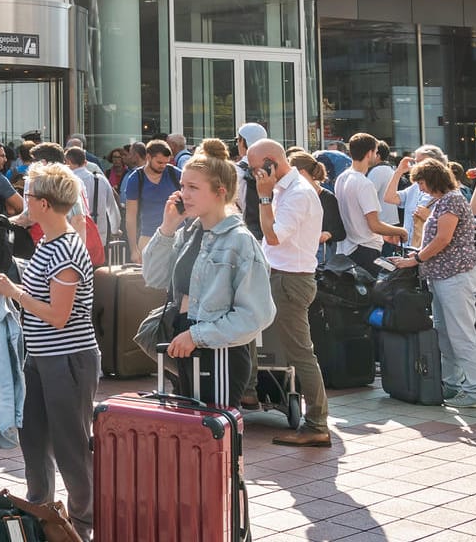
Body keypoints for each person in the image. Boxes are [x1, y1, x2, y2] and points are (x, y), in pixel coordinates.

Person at [0, 163, 99, 540]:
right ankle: (42, 511)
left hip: (67, 357)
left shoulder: (65, 247)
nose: (23, 200)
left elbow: (58, 315)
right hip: (41, 355)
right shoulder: (50, 242)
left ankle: (83, 523)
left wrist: (14, 292)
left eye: (30, 195)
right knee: (32, 434)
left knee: (70, 443)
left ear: (46, 204)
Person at [142, 152, 275, 406]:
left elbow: (257, 314)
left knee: (214, 436)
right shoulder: (189, 233)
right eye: (182, 186)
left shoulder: (239, 240)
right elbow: (153, 276)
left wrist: (198, 335)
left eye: (193, 187)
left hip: (218, 354)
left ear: (220, 192)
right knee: (188, 436)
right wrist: (167, 228)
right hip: (182, 343)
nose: (184, 194)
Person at [248, 139, 330, 446]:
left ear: (271, 163)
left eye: (257, 168)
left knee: (300, 353)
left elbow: (273, 236)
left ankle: (317, 423)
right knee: (247, 326)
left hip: (290, 279)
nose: (255, 174)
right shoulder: (289, 189)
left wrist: (264, 197)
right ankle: (249, 386)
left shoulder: (297, 193)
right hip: (280, 276)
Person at [389, 160, 476, 408]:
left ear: (432, 179)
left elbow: (443, 238)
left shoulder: (450, 201)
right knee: (447, 332)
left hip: (455, 274)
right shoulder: (443, 201)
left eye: (421, 182)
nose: (420, 188)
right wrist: (417, 257)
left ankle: (475, 391)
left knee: (461, 333)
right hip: (445, 274)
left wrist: (417, 259)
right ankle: (453, 384)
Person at [334, 133, 408, 269]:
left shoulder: (342, 177)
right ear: (369, 153)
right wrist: (401, 231)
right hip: (365, 249)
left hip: (346, 248)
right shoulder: (364, 183)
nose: (376, 155)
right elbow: (375, 225)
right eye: (375, 151)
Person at [120, 139, 180, 261]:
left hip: (177, 236)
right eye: (159, 162)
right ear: (148, 157)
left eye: (166, 162)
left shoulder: (175, 173)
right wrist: (133, 249)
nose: (163, 166)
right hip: (148, 236)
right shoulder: (136, 178)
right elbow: (130, 216)